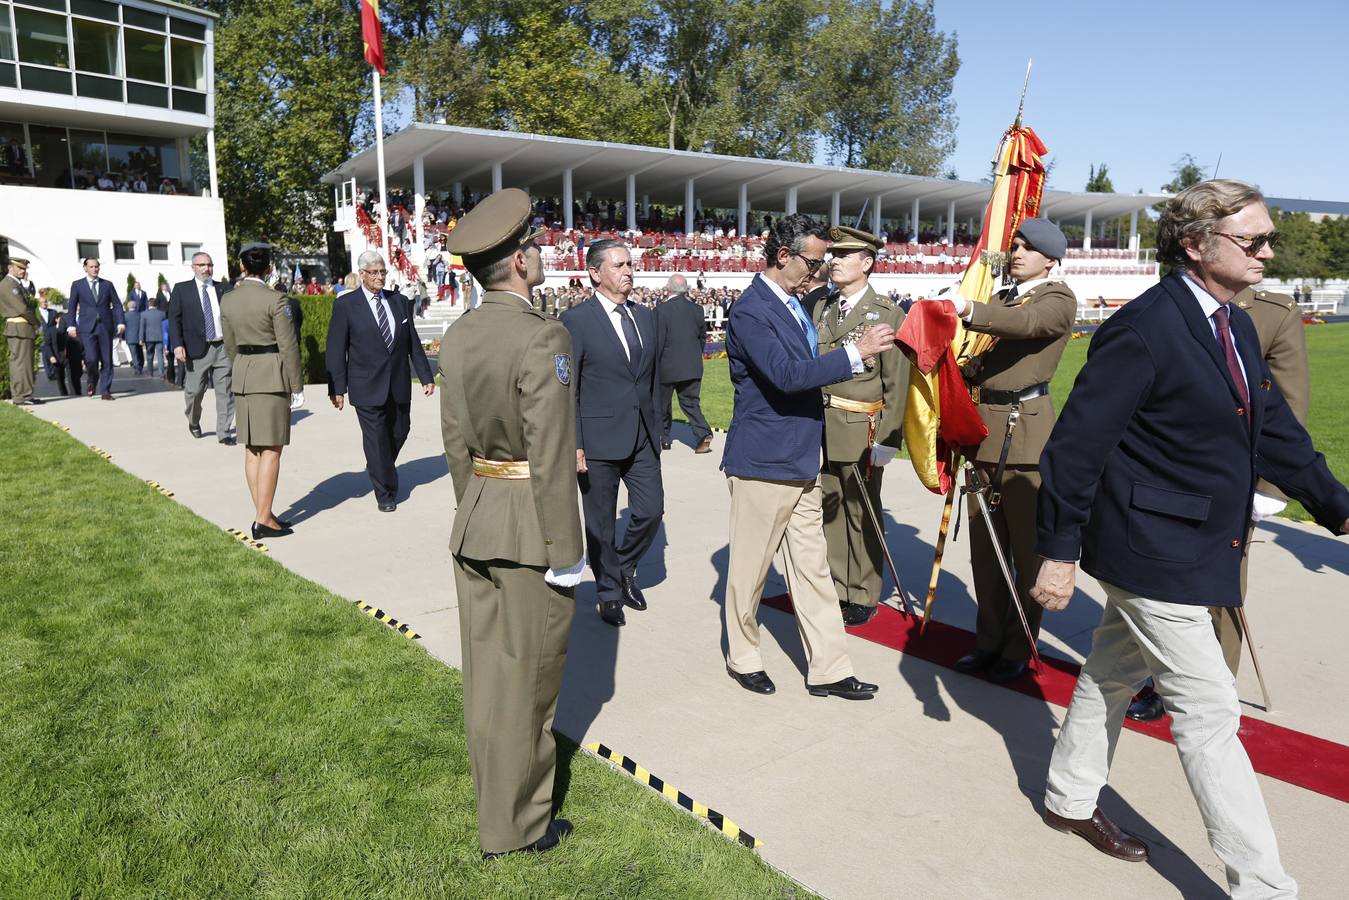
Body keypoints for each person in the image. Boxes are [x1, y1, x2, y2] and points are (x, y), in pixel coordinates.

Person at [1031, 180, 1349, 891]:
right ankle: (1263, 887)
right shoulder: (1142, 329)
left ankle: (1067, 798)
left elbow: (1274, 433)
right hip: (1149, 549)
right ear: (1195, 243)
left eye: (1268, 239)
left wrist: (1338, 508)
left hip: (1193, 542)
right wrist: (1058, 551)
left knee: (1112, 672)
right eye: (1253, 240)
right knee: (1207, 713)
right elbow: (1074, 450)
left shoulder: (1234, 322)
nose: (1268, 251)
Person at [439, 188, 583, 859]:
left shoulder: (461, 331)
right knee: (530, 681)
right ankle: (517, 826)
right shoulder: (540, 335)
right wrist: (566, 547)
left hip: (480, 516)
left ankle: (493, 805)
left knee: (488, 676)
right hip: (529, 525)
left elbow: (455, 442)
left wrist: (477, 506)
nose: (543, 252)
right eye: (536, 245)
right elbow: (550, 452)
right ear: (519, 263)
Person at [720, 214, 894, 699]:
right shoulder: (752, 310)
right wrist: (855, 354)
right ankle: (744, 655)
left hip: (801, 459)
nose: (818, 272)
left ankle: (830, 669)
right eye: (813, 262)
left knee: (813, 569)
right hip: (763, 462)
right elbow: (786, 375)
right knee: (750, 571)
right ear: (783, 256)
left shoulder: (797, 304)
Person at [1128, 281, 1313, 722]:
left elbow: (1289, 401)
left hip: (1233, 478)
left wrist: (1269, 487)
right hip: (1170, 475)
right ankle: (1163, 680)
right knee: (1164, 584)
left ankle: (1214, 686)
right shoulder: (1171, 301)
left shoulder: (1271, 311)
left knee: (1221, 586)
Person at [940, 219, 1076, 684]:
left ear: (1050, 259)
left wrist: (966, 306)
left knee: (1026, 552)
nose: (1016, 252)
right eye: (1015, 244)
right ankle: (989, 642)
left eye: (1028, 247)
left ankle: (1019, 644)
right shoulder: (1003, 299)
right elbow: (990, 349)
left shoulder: (1057, 299)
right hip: (985, 433)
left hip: (1025, 437)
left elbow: (1026, 325)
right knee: (986, 551)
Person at [561, 240, 663, 627]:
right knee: (600, 522)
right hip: (598, 439)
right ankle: (608, 591)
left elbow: (651, 379)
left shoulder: (644, 317)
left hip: (641, 437)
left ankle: (623, 566)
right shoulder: (577, 321)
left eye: (630, 264)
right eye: (619, 265)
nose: (628, 271)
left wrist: (659, 428)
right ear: (594, 273)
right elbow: (568, 388)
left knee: (651, 509)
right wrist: (576, 442)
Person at [813, 226, 909, 627]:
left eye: (844, 255)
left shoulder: (886, 312)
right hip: (821, 423)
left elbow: (897, 380)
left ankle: (864, 591)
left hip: (861, 426)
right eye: (832, 254)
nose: (833, 260)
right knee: (831, 510)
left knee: (862, 512)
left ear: (866, 263)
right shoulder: (822, 306)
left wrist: (889, 437)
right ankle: (840, 586)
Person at [325, 251, 434, 512]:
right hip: (365, 384)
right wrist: (337, 387)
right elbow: (335, 349)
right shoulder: (346, 305)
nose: (379, 277)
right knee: (375, 439)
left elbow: (413, 343)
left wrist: (425, 376)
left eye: (382, 272)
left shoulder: (399, 301)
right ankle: (385, 491)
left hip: (398, 383)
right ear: (361, 274)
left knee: (401, 429)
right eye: (373, 272)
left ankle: (378, 464)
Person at [219, 243, 303, 540]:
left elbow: (229, 345)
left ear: (242, 266)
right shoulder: (276, 299)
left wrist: (241, 368)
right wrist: (296, 384)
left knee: (252, 448)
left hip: (244, 373)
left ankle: (263, 513)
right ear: (268, 268)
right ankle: (263, 519)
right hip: (271, 374)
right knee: (271, 449)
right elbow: (288, 345)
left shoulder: (227, 300)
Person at [169, 252, 235, 443]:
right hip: (196, 349)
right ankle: (193, 420)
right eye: (202, 265)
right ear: (193, 267)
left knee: (225, 391)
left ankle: (224, 432)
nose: (206, 268)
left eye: (209, 264)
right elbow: (174, 319)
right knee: (195, 391)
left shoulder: (225, 289)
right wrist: (177, 345)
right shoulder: (182, 290)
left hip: (223, 347)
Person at [655, 273, 713, 453]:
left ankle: (664, 438)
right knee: (691, 404)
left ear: (668, 288)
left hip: (667, 366)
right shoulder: (697, 309)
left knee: (662, 405)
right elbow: (702, 337)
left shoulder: (661, 310)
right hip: (691, 366)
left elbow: (658, 341)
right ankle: (703, 433)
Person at [67, 257, 125, 400]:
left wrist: (120, 322)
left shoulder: (107, 285)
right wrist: (71, 325)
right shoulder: (77, 285)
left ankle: (105, 391)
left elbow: (117, 304)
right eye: (91, 267)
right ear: (85, 268)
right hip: (87, 327)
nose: (94, 269)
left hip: (105, 326)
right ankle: (92, 381)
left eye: (96, 267)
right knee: (91, 359)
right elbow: (72, 307)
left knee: (107, 360)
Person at [2, 256, 41, 405]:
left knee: (25, 363)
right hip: (19, 327)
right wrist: (36, 323)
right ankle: (21, 396)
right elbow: (22, 308)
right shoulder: (8, 285)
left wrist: (26, 284)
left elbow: (28, 300)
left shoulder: (16, 284)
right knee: (20, 363)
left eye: (24, 268)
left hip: (23, 328)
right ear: (10, 268)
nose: (22, 271)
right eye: (19, 268)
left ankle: (26, 394)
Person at [40, 296, 69, 396]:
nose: (45, 303)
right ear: (39, 303)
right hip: (42, 336)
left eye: (46, 302)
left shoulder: (52, 312)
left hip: (53, 336)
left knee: (54, 355)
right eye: (43, 302)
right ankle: (50, 373)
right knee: (46, 355)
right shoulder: (37, 312)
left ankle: (54, 373)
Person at [140, 296, 166, 378]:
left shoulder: (144, 314)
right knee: (160, 356)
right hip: (160, 337)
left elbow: (142, 327)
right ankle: (161, 373)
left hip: (149, 338)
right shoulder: (162, 313)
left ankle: (150, 372)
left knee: (149, 355)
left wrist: (141, 338)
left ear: (148, 304)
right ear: (156, 304)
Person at [123, 299, 144, 375]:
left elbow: (124, 327)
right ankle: (140, 366)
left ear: (128, 307)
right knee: (140, 352)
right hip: (139, 336)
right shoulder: (140, 314)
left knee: (134, 354)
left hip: (130, 337)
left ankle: (137, 367)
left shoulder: (125, 316)